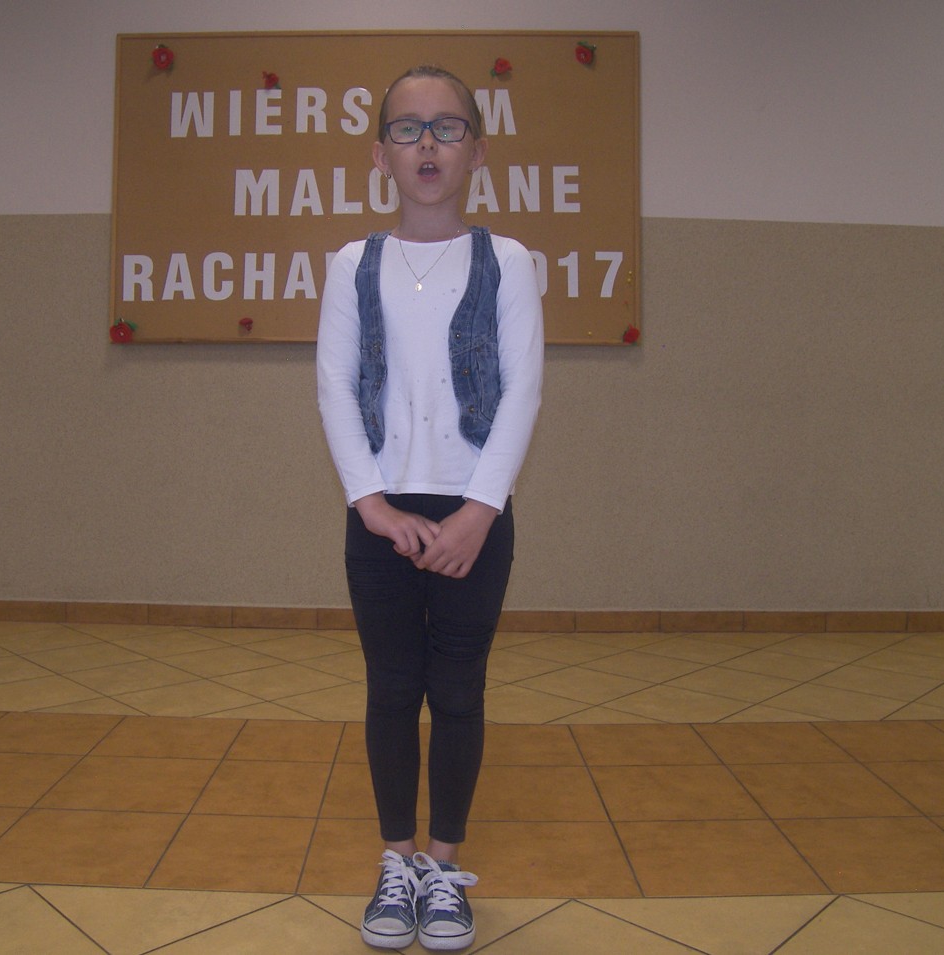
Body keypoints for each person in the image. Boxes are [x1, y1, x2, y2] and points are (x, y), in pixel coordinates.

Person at [315, 64, 544, 950]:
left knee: (455, 688)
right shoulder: (352, 265)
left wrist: (479, 511)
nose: (427, 145)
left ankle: (443, 867)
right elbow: (335, 387)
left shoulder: (507, 261)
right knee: (389, 687)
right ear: (380, 154)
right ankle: (396, 860)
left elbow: (521, 391)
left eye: (447, 128)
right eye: (408, 129)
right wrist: (370, 503)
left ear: (475, 152)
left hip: (472, 514)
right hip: (380, 514)